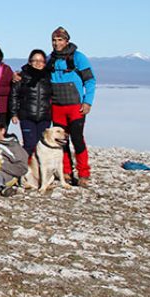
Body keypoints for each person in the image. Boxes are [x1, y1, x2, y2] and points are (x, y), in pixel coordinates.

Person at [48, 27, 96, 186]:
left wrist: (88, 101)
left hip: (76, 106)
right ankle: (66, 171)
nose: (56, 43)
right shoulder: (50, 59)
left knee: (77, 138)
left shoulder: (79, 57)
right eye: (54, 40)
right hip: (57, 106)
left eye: (60, 40)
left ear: (67, 41)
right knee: (61, 140)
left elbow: (90, 80)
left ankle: (83, 174)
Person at [9, 49, 53, 158]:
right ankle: (26, 166)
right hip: (27, 116)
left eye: (41, 61)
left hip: (44, 117)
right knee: (29, 145)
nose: (38, 63)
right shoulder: (22, 76)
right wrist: (14, 113)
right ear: (29, 62)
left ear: (45, 63)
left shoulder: (49, 76)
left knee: (43, 145)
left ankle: (40, 167)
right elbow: (14, 95)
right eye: (35, 60)